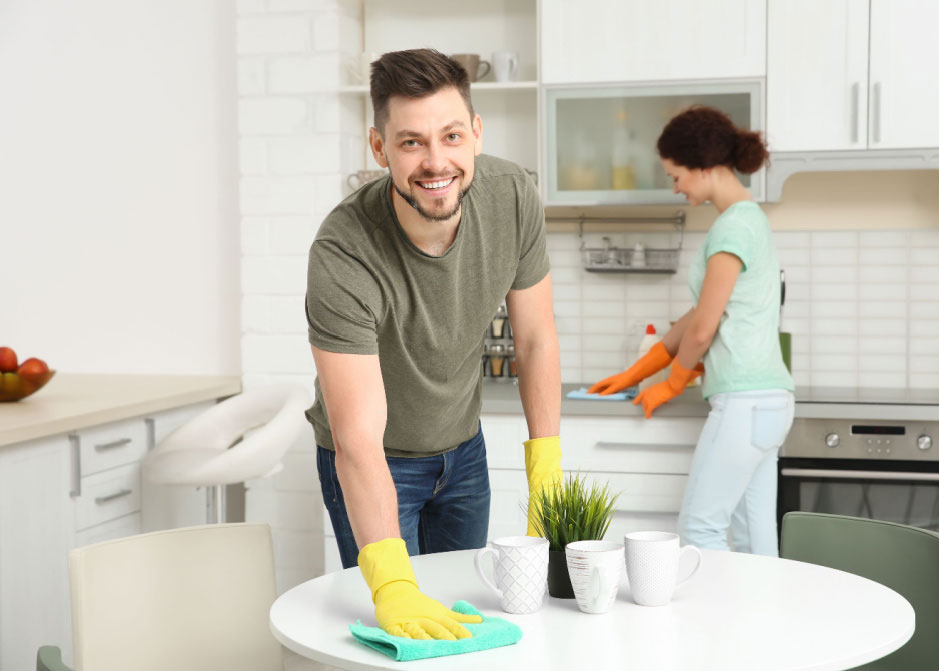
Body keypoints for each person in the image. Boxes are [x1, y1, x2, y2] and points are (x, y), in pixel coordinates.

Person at [305, 49, 562, 640]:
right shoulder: (344, 251)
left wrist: (544, 467)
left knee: (464, 622)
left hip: (464, 454)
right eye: (412, 142)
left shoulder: (513, 196)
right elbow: (357, 440)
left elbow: (536, 337)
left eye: (450, 136)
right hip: (377, 462)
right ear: (379, 148)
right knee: (402, 633)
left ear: (475, 132)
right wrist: (393, 585)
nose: (436, 161)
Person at [589, 105, 794, 557]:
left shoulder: (732, 228)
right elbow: (697, 316)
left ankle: (711, 629)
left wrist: (672, 382)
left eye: (676, 175)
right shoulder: (749, 220)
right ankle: (761, 627)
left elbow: (703, 328)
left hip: (743, 402)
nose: (676, 186)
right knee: (753, 536)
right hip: (770, 401)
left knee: (699, 528)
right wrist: (639, 371)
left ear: (703, 167)